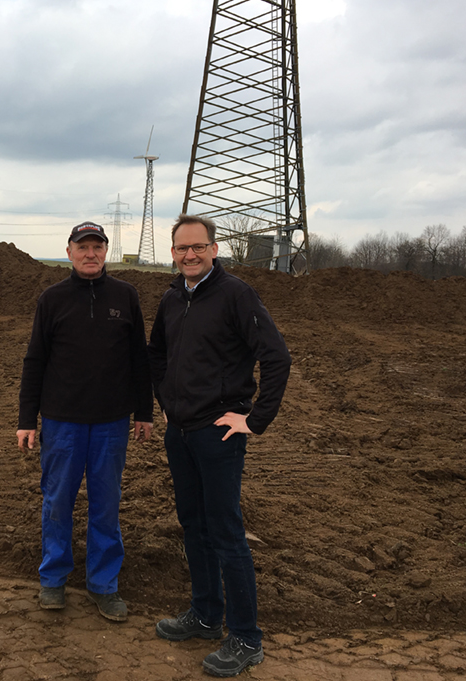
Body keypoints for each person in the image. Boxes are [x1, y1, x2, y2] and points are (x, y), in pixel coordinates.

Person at [147, 214, 291, 676]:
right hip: (180, 432)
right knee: (193, 524)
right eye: (181, 248)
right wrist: (166, 401)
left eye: (198, 247)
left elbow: (277, 357)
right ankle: (206, 615)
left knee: (226, 531)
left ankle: (246, 638)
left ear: (214, 249)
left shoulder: (236, 295)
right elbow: (157, 355)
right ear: (173, 252)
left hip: (219, 433)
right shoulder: (171, 298)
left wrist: (255, 419)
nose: (190, 254)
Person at [17, 221, 153, 622]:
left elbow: (139, 361)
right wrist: (28, 419)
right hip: (62, 422)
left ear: (105, 252)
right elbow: (35, 361)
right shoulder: (52, 299)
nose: (90, 253)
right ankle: (53, 579)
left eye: (97, 247)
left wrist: (143, 411)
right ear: (70, 251)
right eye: (83, 247)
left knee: (106, 505)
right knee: (57, 501)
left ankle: (103, 585)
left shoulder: (125, 297)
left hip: (111, 423)